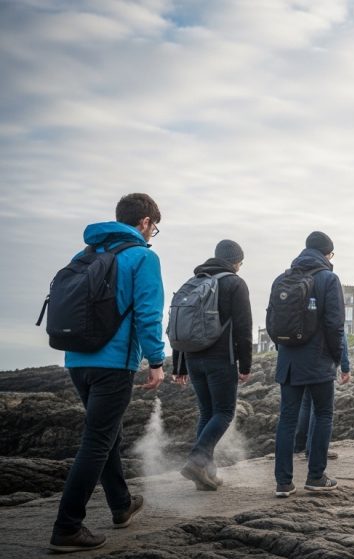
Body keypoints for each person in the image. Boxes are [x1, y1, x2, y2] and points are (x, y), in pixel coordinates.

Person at [49, 193, 165, 553]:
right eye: (153, 228)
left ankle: (121, 504)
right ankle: (67, 526)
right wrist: (156, 361)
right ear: (144, 222)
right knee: (97, 440)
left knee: (106, 434)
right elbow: (148, 314)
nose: (152, 234)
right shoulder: (143, 257)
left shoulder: (84, 255)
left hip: (76, 359)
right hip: (113, 364)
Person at [272, 231, 350, 497]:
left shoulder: (282, 278)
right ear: (327, 253)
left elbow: (272, 321)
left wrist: (283, 350)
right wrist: (337, 357)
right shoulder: (328, 279)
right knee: (324, 414)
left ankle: (283, 482)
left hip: (288, 361)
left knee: (287, 419)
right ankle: (316, 476)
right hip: (318, 360)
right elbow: (335, 324)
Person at [172, 240, 253, 490]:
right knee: (224, 412)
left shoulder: (194, 281)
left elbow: (179, 325)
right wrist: (245, 364)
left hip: (192, 358)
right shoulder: (235, 283)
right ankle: (197, 461)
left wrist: (179, 366)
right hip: (221, 359)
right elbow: (243, 328)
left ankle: (207, 475)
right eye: (240, 262)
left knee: (207, 413)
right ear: (235, 261)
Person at [294, 331, 349, 460]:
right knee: (320, 410)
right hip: (321, 362)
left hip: (299, 361)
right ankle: (313, 450)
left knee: (305, 404)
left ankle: (299, 446)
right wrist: (344, 366)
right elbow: (339, 335)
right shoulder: (327, 315)